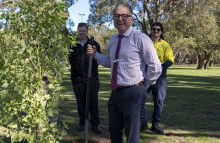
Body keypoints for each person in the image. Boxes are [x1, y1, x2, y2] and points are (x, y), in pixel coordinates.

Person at [87, 3, 162, 143]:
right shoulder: (113, 39)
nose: (120, 19)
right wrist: (96, 54)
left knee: (131, 135)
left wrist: (145, 85)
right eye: (116, 16)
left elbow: (156, 67)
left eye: (124, 16)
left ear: (131, 19)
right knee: (114, 131)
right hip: (115, 91)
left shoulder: (141, 38)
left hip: (133, 91)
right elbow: (111, 63)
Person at [140, 22, 174, 134]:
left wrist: (159, 67)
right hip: (145, 76)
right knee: (141, 99)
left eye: (158, 30)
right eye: (154, 29)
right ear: (151, 30)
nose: (155, 31)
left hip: (160, 77)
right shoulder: (145, 42)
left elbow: (170, 60)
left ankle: (155, 124)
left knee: (159, 101)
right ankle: (143, 122)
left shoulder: (165, 44)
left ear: (161, 31)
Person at [69, 22, 102, 134]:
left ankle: (95, 124)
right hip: (77, 79)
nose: (82, 32)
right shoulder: (72, 45)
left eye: (84, 30)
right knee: (81, 103)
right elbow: (70, 61)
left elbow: (98, 60)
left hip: (91, 79)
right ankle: (82, 123)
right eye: (80, 30)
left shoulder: (94, 44)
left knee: (93, 102)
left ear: (87, 31)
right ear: (78, 31)